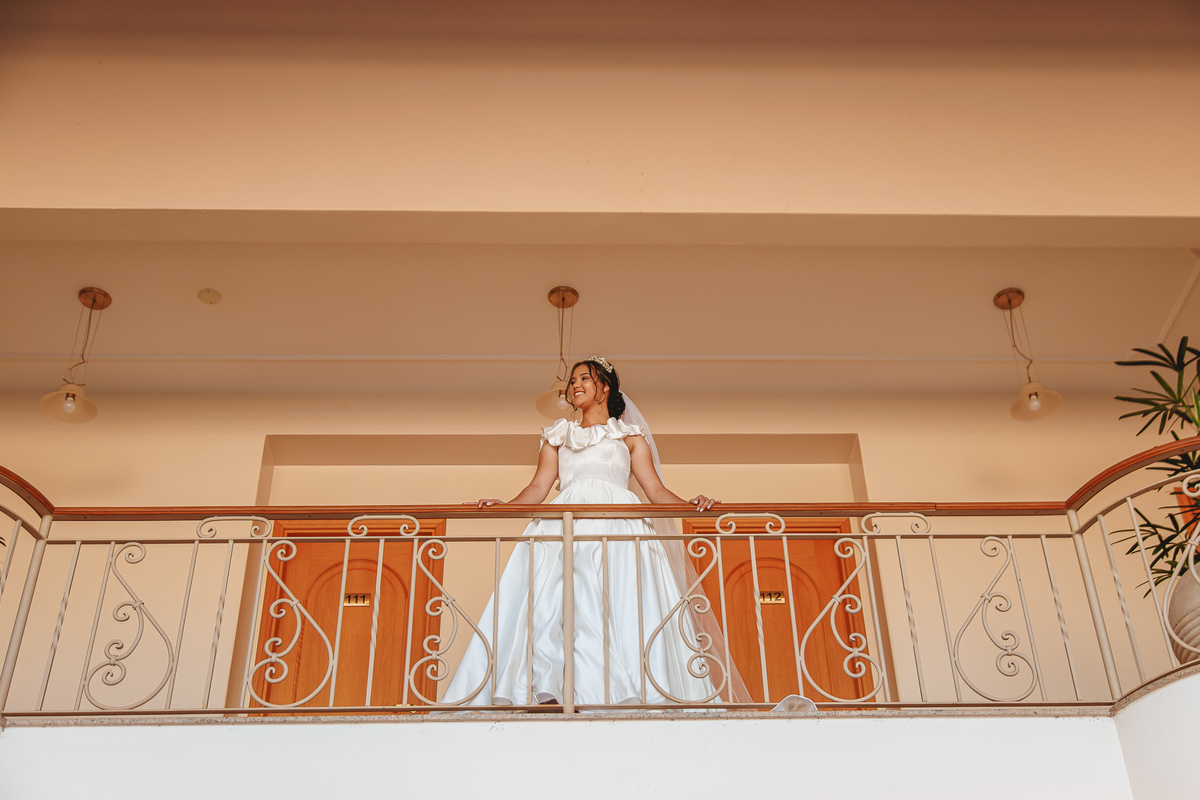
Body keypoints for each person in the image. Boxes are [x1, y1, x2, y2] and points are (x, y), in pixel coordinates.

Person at [436, 357, 733, 708]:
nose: (575, 385)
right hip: (565, 524)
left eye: (584, 379)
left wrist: (691, 505)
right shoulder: (558, 435)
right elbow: (539, 487)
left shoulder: (629, 437)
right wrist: (504, 505)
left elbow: (654, 491)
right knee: (554, 607)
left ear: (604, 387)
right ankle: (552, 692)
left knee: (623, 604)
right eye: (572, 380)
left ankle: (631, 692)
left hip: (620, 527)